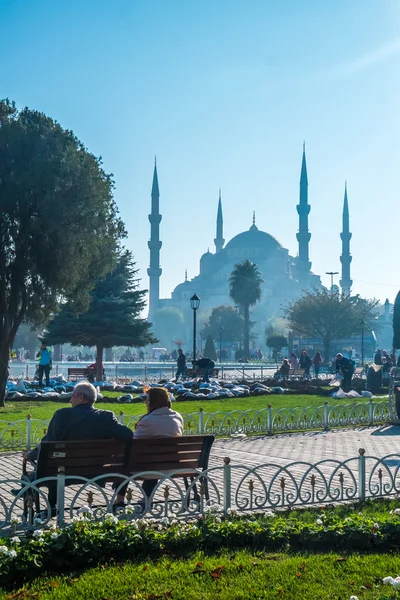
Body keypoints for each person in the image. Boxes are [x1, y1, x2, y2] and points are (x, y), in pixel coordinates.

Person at [19, 381, 133, 509]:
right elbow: (128, 434)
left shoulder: (62, 415)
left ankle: (43, 505)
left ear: (80, 397)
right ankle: (45, 503)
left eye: (72, 396)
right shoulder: (106, 417)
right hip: (95, 471)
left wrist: (30, 455)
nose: (70, 400)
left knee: (50, 466)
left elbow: (48, 444)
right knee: (56, 463)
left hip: (62, 471)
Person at [134, 387, 184, 499]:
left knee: (145, 458)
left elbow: (134, 445)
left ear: (153, 402)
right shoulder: (177, 417)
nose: (145, 402)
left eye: (147, 399)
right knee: (155, 456)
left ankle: (120, 499)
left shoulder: (147, 421)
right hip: (173, 464)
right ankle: (147, 496)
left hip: (149, 466)